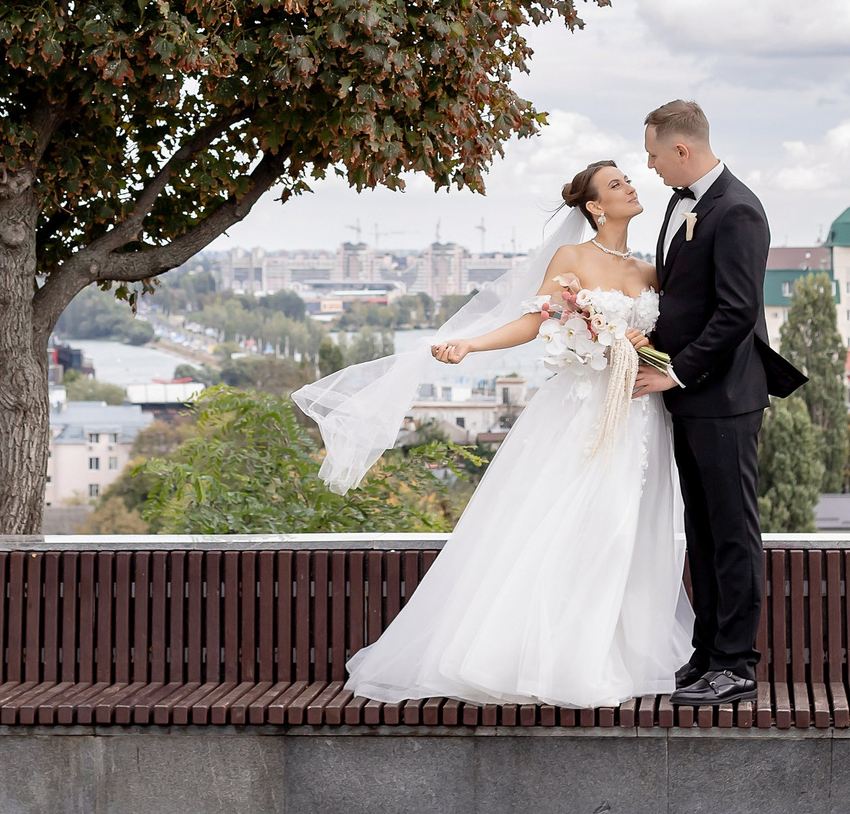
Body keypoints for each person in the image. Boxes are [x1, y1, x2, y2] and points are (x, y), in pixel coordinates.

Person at [292, 161, 690, 707]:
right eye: (617, 184)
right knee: (576, 525)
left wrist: (646, 349)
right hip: (580, 411)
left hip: (638, 415)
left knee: (628, 530)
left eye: (628, 181)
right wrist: (470, 345)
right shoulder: (571, 260)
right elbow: (533, 322)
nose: (630, 187)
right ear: (595, 206)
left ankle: (612, 652)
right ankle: (549, 658)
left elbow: (669, 333)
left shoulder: (651, 273)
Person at [630, 99, 805, 707]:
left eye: (653, 155)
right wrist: (645, 350)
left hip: (725, 399)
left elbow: (737, 313)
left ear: (682, 149)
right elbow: (684, 304)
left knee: (733, 534)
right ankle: (706, 653)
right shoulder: (686, 205)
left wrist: (675, 372)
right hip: (690, 399)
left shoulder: (737, 210)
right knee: (701, 533)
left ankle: (736, 662)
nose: (649, 167)